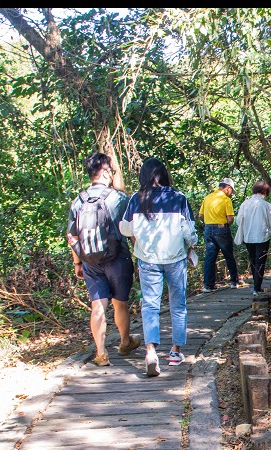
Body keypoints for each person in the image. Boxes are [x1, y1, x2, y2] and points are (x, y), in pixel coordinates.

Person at [119, 158, 197, 377]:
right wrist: (192, 245)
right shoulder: (178, 197)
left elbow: (125, 228)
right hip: (175, 258)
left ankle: (151, 352)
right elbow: (188, 231)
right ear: (164, 175)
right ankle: (175, 352)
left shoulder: (136, 199)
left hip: (148, 259)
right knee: (178, 305)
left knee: (150, 306)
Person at [65, 152, 141, 366]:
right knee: (120, 303)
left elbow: (72, 235)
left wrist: (77, 262)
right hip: (117, 258)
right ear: (106, 171)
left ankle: (101, 353)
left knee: (97, 305)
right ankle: (125, 342)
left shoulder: (78, 200)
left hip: (89, 260)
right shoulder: (118, 198)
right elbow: (132, 230)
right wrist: (139, 257)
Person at [234, 180, 271, 295]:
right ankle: (257, 288)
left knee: (253, 261)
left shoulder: (245, 204)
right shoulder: (266, 205)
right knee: (260, 262)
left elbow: (238, 221)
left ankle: (256, 287)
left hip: (248, 237)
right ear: (265, 192)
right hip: (262, 237)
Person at [199, 177, 242, 290]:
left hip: (208, 229)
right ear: (227, 188)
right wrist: (225, 223)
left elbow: (200, 215)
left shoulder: (207, 198)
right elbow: (230, 218)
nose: (231, 193)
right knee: (228, 255)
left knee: (210, 257)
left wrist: (209, 222)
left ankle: (208, 285)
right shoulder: (226, 200)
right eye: (231, 191)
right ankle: (234, 281)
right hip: (221, 228)